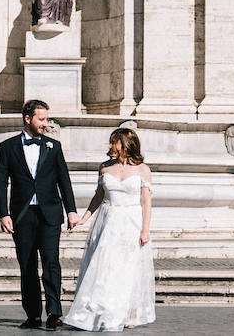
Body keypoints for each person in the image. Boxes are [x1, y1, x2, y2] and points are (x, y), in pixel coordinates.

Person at [0, 99, 79, 329]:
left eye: (46, 119)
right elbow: (1, 182)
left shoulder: (54, 146)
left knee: (51, 262)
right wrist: (3, 213)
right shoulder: (7, 147)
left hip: (50, 214)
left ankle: (54, 312)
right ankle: (32, 315)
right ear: (27, 118)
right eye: (41, 119)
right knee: (27, 266)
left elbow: (64, 180)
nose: (45, 124)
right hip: (22, 215)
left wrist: (71, 210)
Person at [64, 128, 156, 331]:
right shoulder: (104, 168)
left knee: (128, 267)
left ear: (125, 145)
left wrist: (145, 230)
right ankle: (100, 309)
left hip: (131, 220)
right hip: (107, 219)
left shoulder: (143, 170)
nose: (109, 146)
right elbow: (98, 196)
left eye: (113, 142)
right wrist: (84, 218)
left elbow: (146, 202)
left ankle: (126, 311)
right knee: (104, 266)